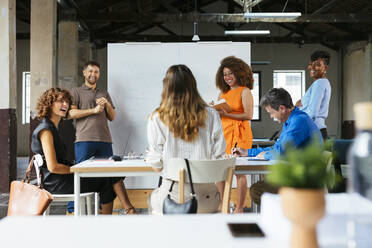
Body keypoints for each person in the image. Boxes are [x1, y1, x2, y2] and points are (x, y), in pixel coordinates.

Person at [31, 87, 134, 214]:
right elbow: (53, 167)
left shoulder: (53, 127)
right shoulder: (46, 130)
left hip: (61, 179)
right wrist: (78, 170)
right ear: (49, 104)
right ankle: (126, 211)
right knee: (108, 178)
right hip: (57, 183)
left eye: (67, 101)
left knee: (108, 175)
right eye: (60, 101)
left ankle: (124, 211)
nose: (65, 104)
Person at [146, 65, 226, 215]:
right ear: (193, 86)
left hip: (172, 198)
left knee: (152, 200)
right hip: (206, 199)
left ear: (166, 87)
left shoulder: (157, 118)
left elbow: (156, 165)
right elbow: (219, 156)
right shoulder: (212, 115)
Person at [233, 88, 323, 205]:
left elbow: (281, 153)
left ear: (281, 108)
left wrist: (264, 155)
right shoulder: (292, 120)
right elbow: (277, 148)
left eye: (271, 113)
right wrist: (248, 152)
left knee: (258, 190)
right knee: (260, 186)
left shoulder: (298, 121)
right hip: (299, 175)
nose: (271, 117)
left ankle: (284, 217)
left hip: (305, 182)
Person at [68, 61, 135, 214]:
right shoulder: (76, 92)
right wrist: (94, 110)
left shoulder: (104, 93)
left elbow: (112, 117)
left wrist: (107, 105)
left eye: (96, 72)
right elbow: (71, 113)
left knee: (110, 175)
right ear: (84, 73)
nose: (93, 74)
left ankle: (110, 211)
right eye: (90, 71)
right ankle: (72, 210)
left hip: (104, 140)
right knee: (80, 175)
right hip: (84, 140)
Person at [214, 56, 254, 213]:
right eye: (225, 74)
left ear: (239, 73)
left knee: (239, 172)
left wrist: (226, 114)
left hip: (240, 134)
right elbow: (220, 114)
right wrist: (214, 110)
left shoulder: (245, 91)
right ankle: (223, 204)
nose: (227, 77)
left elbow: (248, 115)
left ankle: (239, 207)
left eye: (230, 73)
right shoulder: (222, 93)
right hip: (224, 134)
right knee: (220, 171)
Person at [295, 51, 331, 141]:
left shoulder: (319, 83)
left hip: (314, 133)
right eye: (311, 64)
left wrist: (297, 109)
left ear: (325, 67)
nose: (312, 67)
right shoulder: (323, 82)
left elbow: (312, 113)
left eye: (317, 64)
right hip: (317, 131)